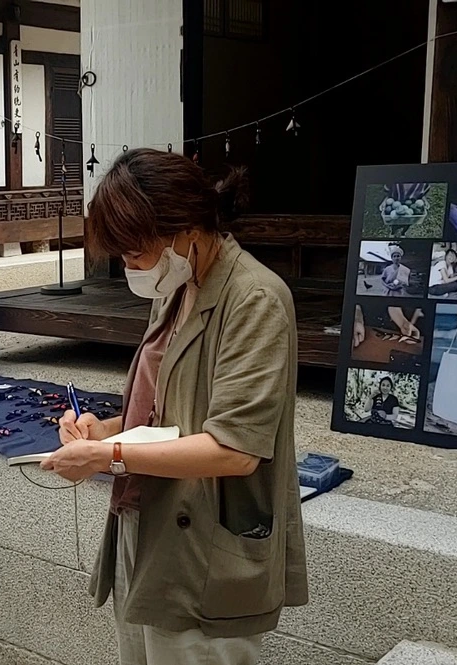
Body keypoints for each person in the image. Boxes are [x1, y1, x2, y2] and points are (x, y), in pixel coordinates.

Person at [40, 148, 306, 665]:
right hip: (146, 521)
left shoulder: (254, 299)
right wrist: (104, 430)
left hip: (205, 543)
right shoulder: (177, 287)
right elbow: (167, 412)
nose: (129, 267)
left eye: (135, 253)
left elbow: (235, 451)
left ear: (184, 231)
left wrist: (110, 456)